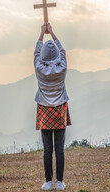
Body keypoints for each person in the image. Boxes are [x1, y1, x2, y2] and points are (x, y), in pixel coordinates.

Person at [34, 22, 72, 191]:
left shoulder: (39, 69)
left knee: (47, 148)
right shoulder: (62, 69)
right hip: (60, 109)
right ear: (56, 55)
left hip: (44, 109)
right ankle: (61, 181)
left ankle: (48, 181)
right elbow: (63, 52)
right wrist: (53, 33)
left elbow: (35, 53)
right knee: (60, 148)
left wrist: (42, 34)